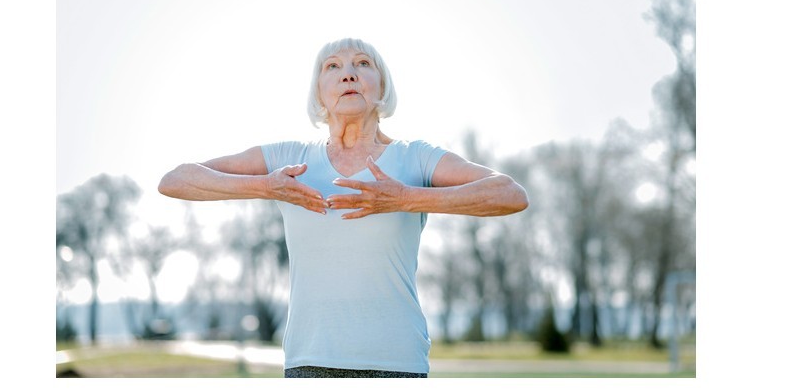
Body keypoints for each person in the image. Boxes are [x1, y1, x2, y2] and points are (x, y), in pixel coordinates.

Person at [158, 38, 529, 378]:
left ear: (382, 87)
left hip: (396, 364)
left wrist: (404, 198)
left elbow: (510, 194)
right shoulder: (288, 157)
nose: (348, 72)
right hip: (309, 362)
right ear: (319, 94)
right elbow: (176, 180)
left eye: (363, 63)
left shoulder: (415, 158)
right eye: (332, 66)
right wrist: (266, 187)